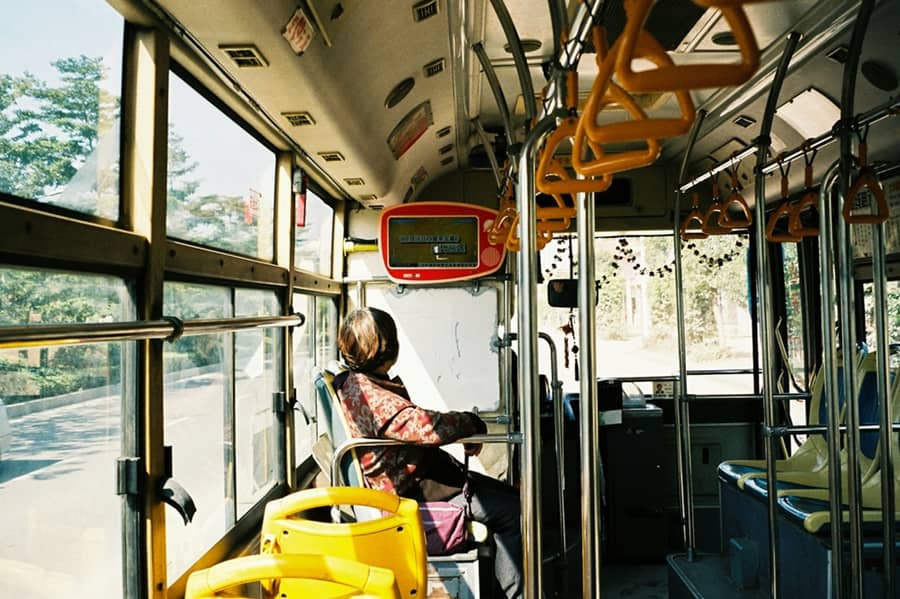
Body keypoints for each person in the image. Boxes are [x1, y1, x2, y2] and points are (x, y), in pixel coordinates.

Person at [333, 307, 523, 599]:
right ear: (389, 346)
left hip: (421, 477)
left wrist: (461, 432)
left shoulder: (354, 383)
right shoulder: (373, 397)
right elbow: (427, 427)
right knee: (514, 512)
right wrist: (470, 423)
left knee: (508, 497)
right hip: (409, 491)